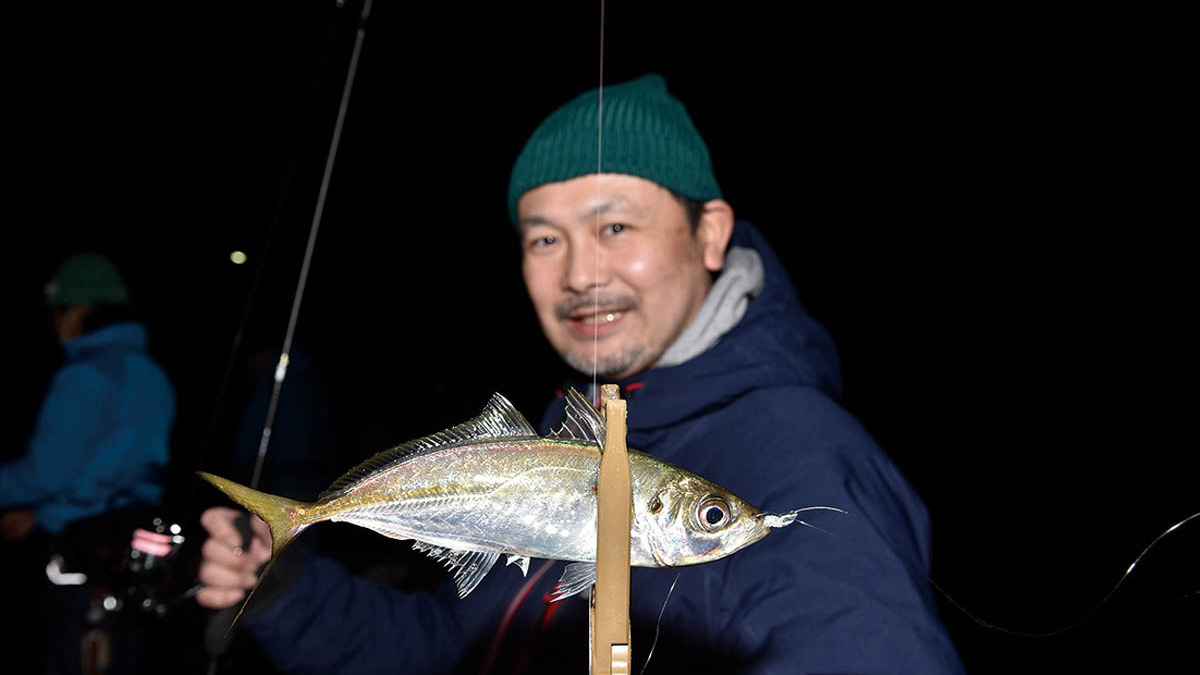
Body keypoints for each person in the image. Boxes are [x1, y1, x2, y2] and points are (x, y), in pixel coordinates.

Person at [197, 74, 966, 674]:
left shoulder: (804, 461)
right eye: (543, 240)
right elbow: (447, 648)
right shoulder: (574, 429)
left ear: (710, 234)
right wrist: (287, 590)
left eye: (616, 225)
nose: (579, 274)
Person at [1, 252, 176, 674]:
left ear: (79, 311)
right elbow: (113, 465)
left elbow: (45, 473)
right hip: (138, 548)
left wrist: (32, 503)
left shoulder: (87, 374)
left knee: (75, 658)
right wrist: (41, 513)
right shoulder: (149, 371)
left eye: (58, 311)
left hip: (85, 558)